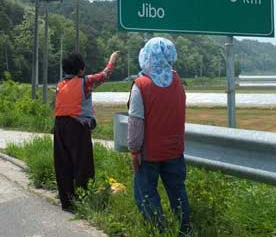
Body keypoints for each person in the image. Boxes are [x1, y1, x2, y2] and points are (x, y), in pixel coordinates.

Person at [127, 37, 191, 235]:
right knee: (178, 192)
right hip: (174, 149)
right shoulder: (177, 80)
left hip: (149, 153)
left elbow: (136, 121)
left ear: (147, 56)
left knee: (145, 194)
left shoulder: (141, 85)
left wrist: (134, 149)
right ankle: (184, 230)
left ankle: (159, 232)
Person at [54, 51, 119, 212]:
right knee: (83, 164)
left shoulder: (60, 85)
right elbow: (105, 75)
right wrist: (112, 59)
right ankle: (85, 200)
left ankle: (67, 202)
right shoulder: (85, 82)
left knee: (63, 165)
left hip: (59, 127)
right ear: (81, 70)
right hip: (77, 127)